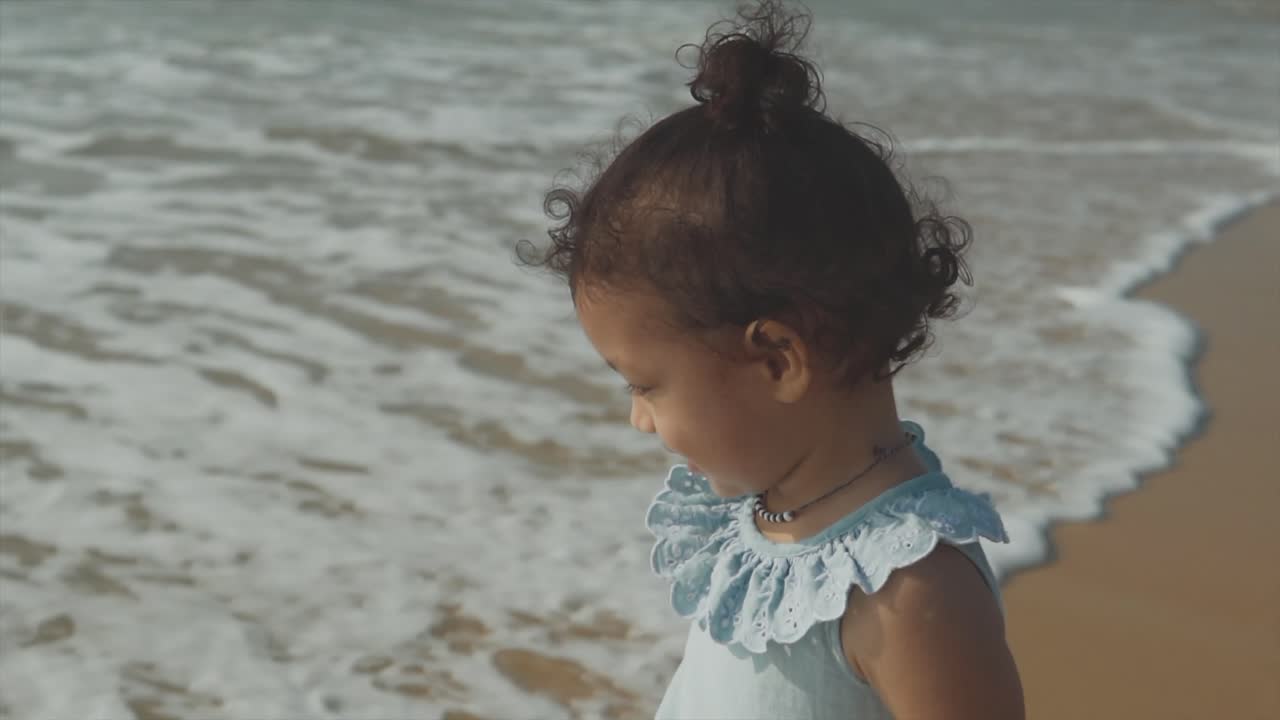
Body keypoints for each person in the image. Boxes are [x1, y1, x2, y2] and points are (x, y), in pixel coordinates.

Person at [518, 1, 1025, 717]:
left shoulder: (909, 590)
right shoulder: (762, 514)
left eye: (646, 385)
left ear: (779, 361)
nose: (638, 419)